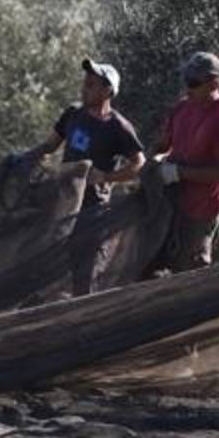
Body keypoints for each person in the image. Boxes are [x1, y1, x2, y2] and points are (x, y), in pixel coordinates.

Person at [19, 58, 145, 294]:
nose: (84, 88)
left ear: (108, 91)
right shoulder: (73, 114)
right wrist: (24, 158)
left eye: (91, 85)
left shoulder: (118, 127)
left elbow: (139, 163)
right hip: (62, 205)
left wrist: (105, 177)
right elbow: (50, 146)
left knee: (84, 272)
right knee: (47, 268)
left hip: (92, 211)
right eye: (85, 83)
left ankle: (84, 312)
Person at [152, 52, 219, 272]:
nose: (187, 88)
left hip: (201, 212)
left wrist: (179, 172)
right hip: (172, 204)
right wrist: (155, 160)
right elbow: (163, 145)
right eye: (186, 80)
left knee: (189, 274)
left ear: (215, 83)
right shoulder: (182, 108)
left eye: (193, 83)